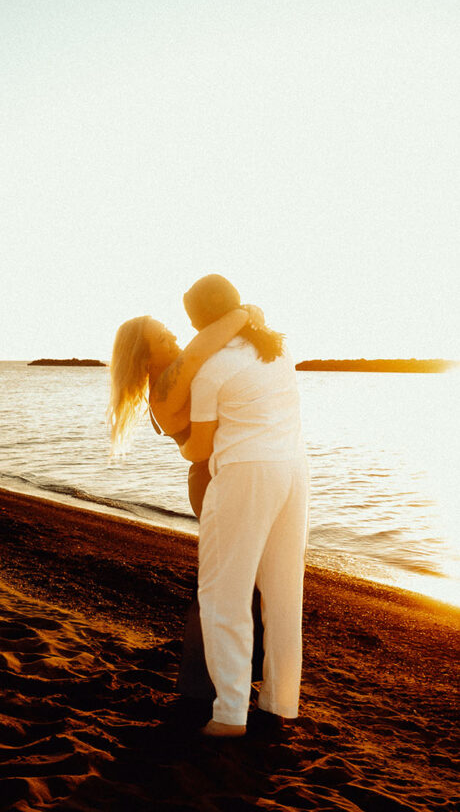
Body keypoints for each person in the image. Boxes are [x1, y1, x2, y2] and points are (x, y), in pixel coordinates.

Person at [107, 301, 273, 703]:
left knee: (248, 584)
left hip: (228, 476)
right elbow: (200, 350)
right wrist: (242, 315)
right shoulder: (166, 385)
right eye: (164, 338)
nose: (176, 338)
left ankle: (236, 673)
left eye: (170, 331)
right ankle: (200, 685)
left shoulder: (181, 373)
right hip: (215, 482)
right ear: (145, 357)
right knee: (221, 587)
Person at [179, 274, 308, 737]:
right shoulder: (279, 351)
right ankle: (280, 703)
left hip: (245, 478)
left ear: (202, 320)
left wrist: (180, 443)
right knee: (283, 593)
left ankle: (231, 713)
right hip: (293, 470)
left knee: (222, 594)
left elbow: (198, 449)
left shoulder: (212, 369)